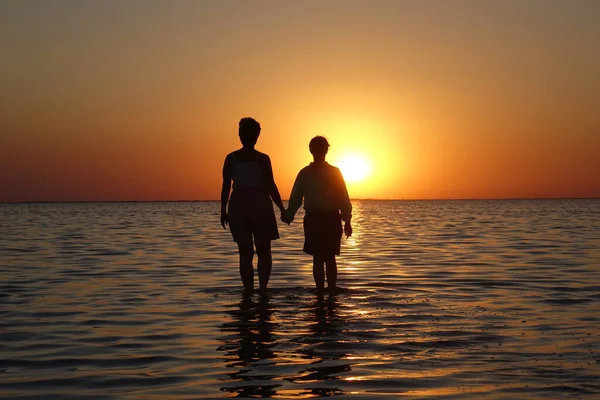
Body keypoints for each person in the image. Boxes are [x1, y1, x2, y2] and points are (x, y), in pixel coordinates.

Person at [221, 117, 288, 293]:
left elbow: (226, 187)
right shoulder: (260, 159)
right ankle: (261, 290)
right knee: (263, 251)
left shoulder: (233, 158)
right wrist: (281, 208)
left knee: (246, 252)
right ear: (257, 136)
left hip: (240, 205)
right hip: (258, 205)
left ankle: (250, 292)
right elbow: (270, 185)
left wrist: (223, 210)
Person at [285, 136, 352, 294]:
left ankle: (325, 291)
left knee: (324, 258)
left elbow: (343, 197)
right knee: (325, 258)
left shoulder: (327, 172)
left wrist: (289, 215)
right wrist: (289, 215)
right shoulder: (307, 173)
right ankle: (325, 291)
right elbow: (343, 197)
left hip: (326, 218)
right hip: (319, 219)